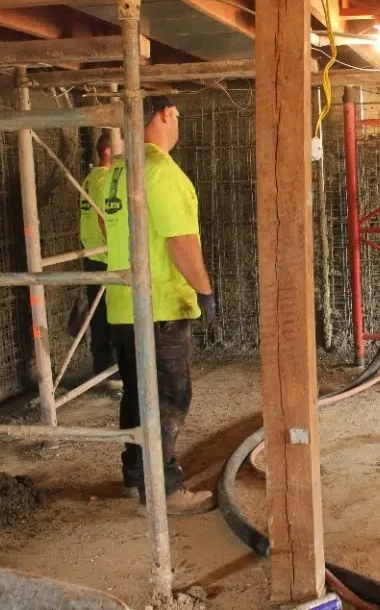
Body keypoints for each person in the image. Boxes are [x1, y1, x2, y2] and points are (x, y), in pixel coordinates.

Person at [103, 95, 217, 514]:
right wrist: (204, 291)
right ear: (166, 114)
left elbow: (104, 223)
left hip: (122, 303)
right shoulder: (162, 171)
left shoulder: (117, 171)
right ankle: (164, 490)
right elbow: (180, 242)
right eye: (178, 115)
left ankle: (135, 477)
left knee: (137, 392)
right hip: (162, 304)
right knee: (169, 396)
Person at [78, 130, 118, 386]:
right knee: (112, 315)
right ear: (107, 151)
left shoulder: (88, 179)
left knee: (100, 315)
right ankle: (111, 369)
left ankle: (103, 366)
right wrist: (118, 250)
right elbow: (105, 219)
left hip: (93, 254)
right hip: (106, 256)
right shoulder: (104, 180)